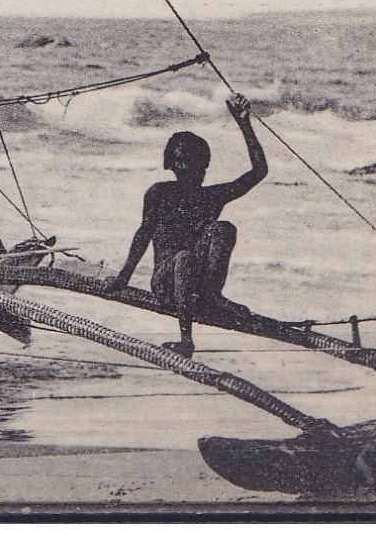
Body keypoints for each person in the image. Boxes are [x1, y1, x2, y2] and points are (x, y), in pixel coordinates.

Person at [107, 93, 267, 356]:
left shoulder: (211, 197)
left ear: (204, 166)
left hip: (198, 288)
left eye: (195, 165)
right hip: (166, 285)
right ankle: (186, 339)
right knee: (184, 258)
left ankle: (213, 296)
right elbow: (144, 233)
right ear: (172, 165)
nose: (190, 171)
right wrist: (123, 278)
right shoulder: (159, 193)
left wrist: (244, 125)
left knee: (223, 228)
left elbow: (258, 172)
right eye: (182, 164)